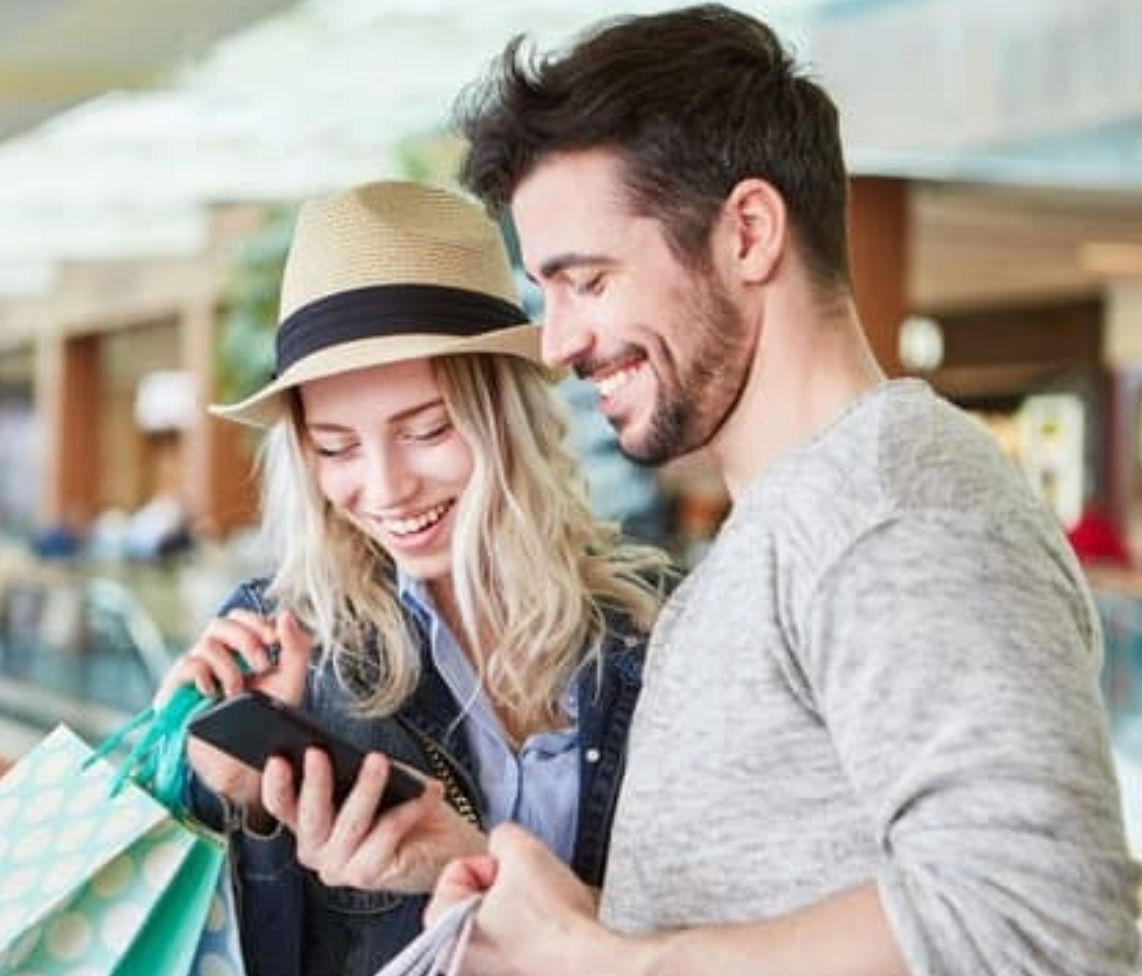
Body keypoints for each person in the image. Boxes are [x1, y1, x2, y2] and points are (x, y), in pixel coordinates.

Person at [428, 6, 1141, 975]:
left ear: (749, 233)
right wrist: (569, 922)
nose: (556, 344)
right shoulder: (790, 525)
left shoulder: (890, 513)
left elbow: (1040, 927)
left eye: (586, 282)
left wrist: (598, 963)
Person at [153, 179, 675, 976]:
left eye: (427, 430)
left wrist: (468, 863)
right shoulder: (284, 647)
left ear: (506, 417)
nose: (387, 488)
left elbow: (723, 926)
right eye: (335, 448)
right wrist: (225, 795)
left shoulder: (651, 631)